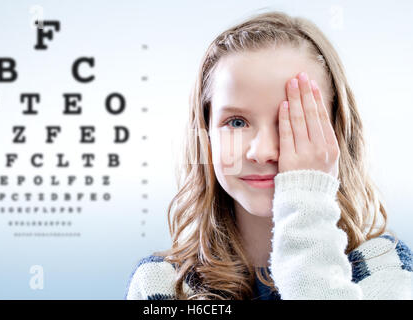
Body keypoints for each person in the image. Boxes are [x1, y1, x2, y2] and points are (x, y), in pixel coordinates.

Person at [125, 10, 412, 300]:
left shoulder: (383, 267)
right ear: (206, 134)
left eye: (293, 121)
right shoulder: (161, 285)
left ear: (336, 132)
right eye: (236, 122)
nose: (262, 152)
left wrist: (306, 194)